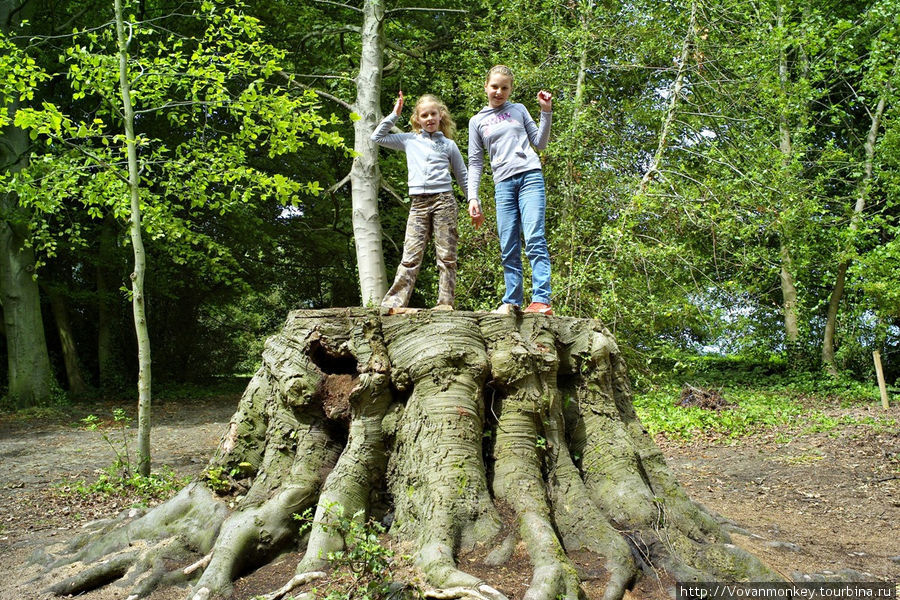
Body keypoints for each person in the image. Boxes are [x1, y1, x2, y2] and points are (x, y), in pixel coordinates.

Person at [371, 91, 477, 311]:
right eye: (424, 115)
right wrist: (394, 114)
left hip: (444, 201)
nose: (429, 119)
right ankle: (394, 302)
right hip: (418, 203)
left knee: (447, 256)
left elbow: (462, 175)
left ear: (440, 116)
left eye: (433, 114)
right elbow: (377, 137)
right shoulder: (409, 140)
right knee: (410, 254)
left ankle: (445, 303)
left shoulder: (448, 145)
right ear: (417, 119)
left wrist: (472, 201)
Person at [467, 64, 554, 315]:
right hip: (503, 185)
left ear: (510, 89)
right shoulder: (477, 121)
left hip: (529, 177)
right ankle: (512, 301)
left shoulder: (518, 110)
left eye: (504, 88)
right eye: (494, 87)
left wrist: (545, 112)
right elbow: (475, 162)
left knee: (535, 238)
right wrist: (473, 197)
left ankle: (541, 300)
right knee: (508, 245)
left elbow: (540, 143)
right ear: (486, 87)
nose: (499, 92)